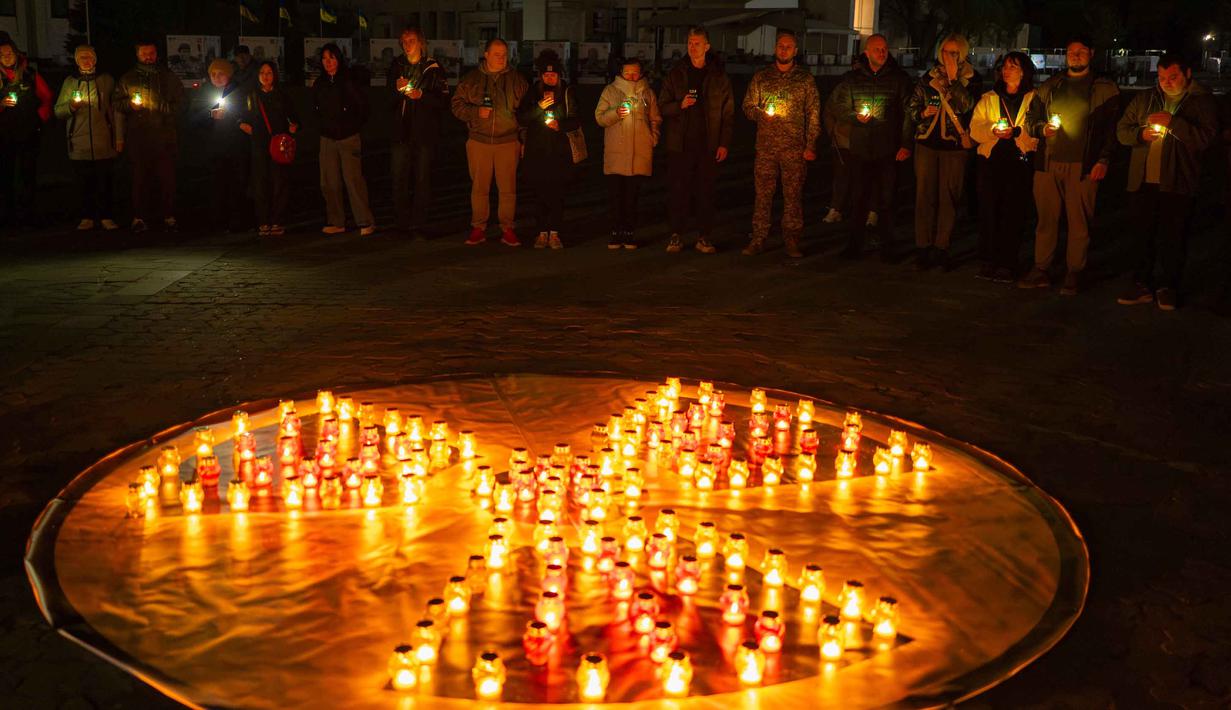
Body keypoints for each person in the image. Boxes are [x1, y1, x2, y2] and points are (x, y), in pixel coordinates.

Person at [1113, 54, 1217, 311]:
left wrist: (1174, 124)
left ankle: (1169, 286)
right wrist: (1140, 134)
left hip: (1178, 181)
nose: (1166, 83)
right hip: (1143, 180)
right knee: (1142, 235)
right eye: (1161, 78)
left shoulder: (1200, 102)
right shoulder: (1146, 98)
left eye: (1173, 77)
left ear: (1187, 74)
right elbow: (1122, 130)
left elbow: (1204, 139)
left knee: (1173, 237)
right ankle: (1141, 284)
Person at [1018, 35, 1119, 295]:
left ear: (1091, 53)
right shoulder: (1051, 85)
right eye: (1071, 51)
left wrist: (1103, 159)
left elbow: (1111, 129)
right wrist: (1042, 129)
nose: (1075, 55)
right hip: (1049, 163)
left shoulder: (1104, 88)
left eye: (1081, 51)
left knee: (1079, 222)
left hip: (1082, 165)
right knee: (1046, 219)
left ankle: (1075, 271)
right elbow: (1031, 119)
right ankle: (1041, 268)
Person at [826, 33, 913, 260]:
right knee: (859, 199)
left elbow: (908, 114)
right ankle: (854, 245)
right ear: (867, 52)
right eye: (877, 49)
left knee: (887, 200)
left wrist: (905, 143)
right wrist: (855, 117)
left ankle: (887, 247)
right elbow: (838, 106)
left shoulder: (899, 79)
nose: (882, 53)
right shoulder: (852, 79)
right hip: (861, 149)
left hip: (888, 149)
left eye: (885, 49)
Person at [741, 29, 819, 258]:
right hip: (766, 147)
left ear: (795, 51)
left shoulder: (804, 79)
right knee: (763, 195)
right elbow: (747, 106)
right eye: (780, 46)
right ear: (775, 49)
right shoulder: (762, 77)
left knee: (793, 195)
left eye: (788, 46)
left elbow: (813, 112)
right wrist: (759, 114)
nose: (783, 49)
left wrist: (811, 144)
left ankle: (792, 240)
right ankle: (758, 238)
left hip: (794, 148)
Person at [658, 26, 734, 254]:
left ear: (707, 46)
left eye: (697, 43)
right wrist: (678, 105)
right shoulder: (676, 73)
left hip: (708, 146)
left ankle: (704, 236)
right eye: (690, 43)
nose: (693, 47)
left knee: (706, 192)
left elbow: (728, 113)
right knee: (678, 191)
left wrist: (724, 143)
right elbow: (661, 105)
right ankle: (676, 235)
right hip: (679, 145)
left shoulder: (719, 76)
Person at [906, 33, 975, 271]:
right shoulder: (928, 78)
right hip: (926, 143)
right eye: (946, 52)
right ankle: (922, 246)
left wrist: (955, 80)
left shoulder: (970, 79)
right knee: (924, 196)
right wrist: (922, 114)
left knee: (949, 197)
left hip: (954, 147)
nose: (949, 57)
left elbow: (967, 106)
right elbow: (912, 107)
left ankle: (941, 246)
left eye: (955, 53)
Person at [968, 52, 1039, 283]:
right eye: (1004, 66)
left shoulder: (1033, 98)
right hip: (991, 160)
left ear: (1024, 71)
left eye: (1013, 66)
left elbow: (1037, 130)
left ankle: (1008, 262)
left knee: (1013, 212)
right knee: (989, 211)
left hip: (1018, 161)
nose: (1006, 70)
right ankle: (988, 260)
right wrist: (993, 131)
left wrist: (1017, 133)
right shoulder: (989, 98)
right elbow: (975, 129)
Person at [451, 37, 528, 246]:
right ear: (486, 55)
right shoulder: (471, 79)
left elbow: (526, 113)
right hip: (479, 143)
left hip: (508, 142)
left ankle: (507, 228)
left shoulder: (517, 80)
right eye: (497, 54)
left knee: (508, 189)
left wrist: (523, 140)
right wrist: (476, 113)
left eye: (504, 54)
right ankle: (478, 227)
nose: (501, 58)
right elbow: (456, 105)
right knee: (479, 187)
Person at [115, 39, 184, 233]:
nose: (148, 57)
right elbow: (117, 103)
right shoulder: (128, 78)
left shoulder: (169, 77)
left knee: (167, 178)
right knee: (140, 178)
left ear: (157, 54)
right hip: (139, 137)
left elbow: (182, 104)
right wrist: (130, 105)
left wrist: (166, 108)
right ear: (137, 54)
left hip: (164, 136)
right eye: (144, 53)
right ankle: (139, 217)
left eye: (151, 53)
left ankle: (168, 216)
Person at [388, 26, 448, 239]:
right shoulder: (397, 65)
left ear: (421, 43)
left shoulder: (433, 68)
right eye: (404, 41)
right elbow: (388, 100)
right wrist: (396, 90)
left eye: (411, 40)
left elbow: (442, 101)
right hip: (401, 132)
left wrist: (421, 95)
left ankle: (419, 221)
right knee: (399, 177)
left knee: (422, 178)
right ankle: (401, 221)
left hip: (424, 133)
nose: (407, 45)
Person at [55, 45, 122, 232]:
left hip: (103, 139)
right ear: (77, 61)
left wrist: (118, 137)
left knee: (105, 181)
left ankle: (106, 216)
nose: (87, 60)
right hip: (79, 140)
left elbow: (115, 109)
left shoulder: (106, 80)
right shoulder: (70, 82)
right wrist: (71, 107)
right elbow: (58, 111)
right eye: (82, 57)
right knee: (84, 182)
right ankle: (87, 217)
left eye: (90, 57)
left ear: (95, 59)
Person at [596, 57, 661, 249]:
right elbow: (599, 118)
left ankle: (629, 233)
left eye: (635, 72)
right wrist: (616, 113)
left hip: (640, 151)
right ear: (621, 73)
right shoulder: (610, 91)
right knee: (616, 195)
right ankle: (616, 233)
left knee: (633, 196)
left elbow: (655, 118)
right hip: (617, 152)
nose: (631, 76)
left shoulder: (647, 93)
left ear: (640, 73)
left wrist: (653, 137)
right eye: (627, 72)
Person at [518, 50, 579, 249]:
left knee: (557, 194)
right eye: (546, 75)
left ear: (559, 75)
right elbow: (522, 117)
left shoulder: (568, 92)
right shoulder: (533, 91)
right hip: (537, 151)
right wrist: (539, 107)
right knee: (539, 193)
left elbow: (576, 120)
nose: (550, 78)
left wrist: (560, 125)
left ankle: (555, 233)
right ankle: (541, 232)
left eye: (553, 75)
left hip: (559, 152)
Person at [313, 43, 375, 236]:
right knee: (329, 181)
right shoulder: (320, 83)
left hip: (348, 137)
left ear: (339, 59)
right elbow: (315, 108)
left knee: (353, 180)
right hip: (327, 138)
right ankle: (336, 221)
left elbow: (362, 107)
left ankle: (365, 221)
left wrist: (352, 125)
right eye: (324, 59)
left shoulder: (348, 80)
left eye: (331, 58)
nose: (328, 63)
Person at [239, 61, 299, 236]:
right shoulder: (251, 96)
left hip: (278, 144)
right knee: (261, 182)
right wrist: (242, 124)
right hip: (259, 144)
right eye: (262, 73)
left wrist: (294, 126)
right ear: (257, 75)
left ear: (275, 75)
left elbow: (294, 117)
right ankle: (264, 221)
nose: (266, 76)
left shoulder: (282, 95)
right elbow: (241, 116)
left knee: (280, 182)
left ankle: (277, 220)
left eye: (269, 73)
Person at [0, 36, 52, 227]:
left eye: (9, 53)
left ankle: (28, 215)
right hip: (4, 135)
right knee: (6, 175)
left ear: (16, 54)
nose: (6, 57)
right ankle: (8, 215)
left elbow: (46, 97)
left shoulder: (29, 74)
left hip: (28, 133)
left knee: (27, 174)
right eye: (2, 55)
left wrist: (40, 118)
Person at [197, 58, 250, 233]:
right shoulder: (204, 92)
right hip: (214, 148)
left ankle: (238, 221)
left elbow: (246, 113)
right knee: (217, 186)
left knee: (237, 184)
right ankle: (218, 221)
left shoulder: (239, 91)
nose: (217, 78)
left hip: (235, 146)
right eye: (213, 74)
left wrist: (234, 118)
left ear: (229, 75)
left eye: (221, 74)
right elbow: (193, 118)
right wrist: (209, 115)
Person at [821, 56, 859, 225]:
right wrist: (832, 133)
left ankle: (866, 211)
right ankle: (836, 208)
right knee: (841, 176)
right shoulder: (842, 88)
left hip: (866, 143)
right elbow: (829, 111)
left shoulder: (873, 88)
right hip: (843, 141)